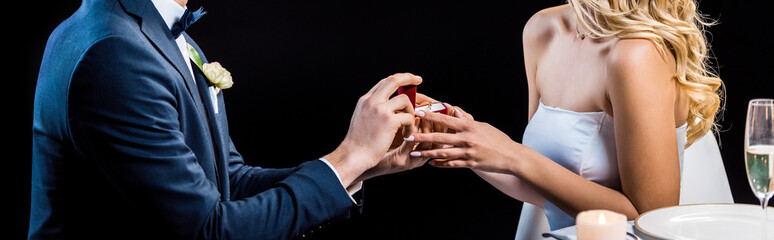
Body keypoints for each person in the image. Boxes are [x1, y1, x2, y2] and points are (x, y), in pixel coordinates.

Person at [29, 0, 441, 239]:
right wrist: (349, 157)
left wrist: (365, 163)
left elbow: (230, 182)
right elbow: (209, 230)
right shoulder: (115, 51)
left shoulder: (159, 35)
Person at [406, 0, 724, 237]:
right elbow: (545, 188)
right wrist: (466, 139)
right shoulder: (543, 29)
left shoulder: (635, 54)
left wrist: (513, 153)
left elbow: (648, 222)